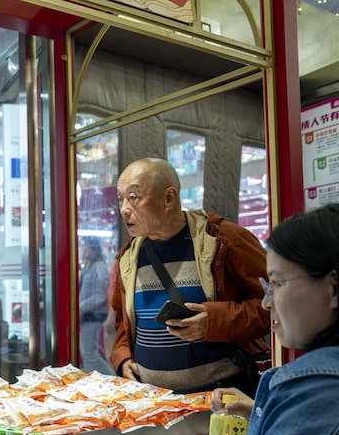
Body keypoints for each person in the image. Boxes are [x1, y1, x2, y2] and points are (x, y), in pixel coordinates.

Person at [196, 203, 339, 435]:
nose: (266, 302)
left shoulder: (318, 397)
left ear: (333, 288)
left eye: (276, 283)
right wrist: (264, 413)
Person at [110, 158, 269, 394]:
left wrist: (214, 322)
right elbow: (123, 320)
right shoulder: (129, 257)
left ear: (169, 198)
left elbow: (274, 306)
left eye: (133, 198)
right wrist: (122, 357)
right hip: (154, 401)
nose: (124, 209)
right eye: (121, 198)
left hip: (222, 395)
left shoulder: (225, 241)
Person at [78, 236, 115, 374]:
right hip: (89, 317)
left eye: (86, 246)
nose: (83, 250)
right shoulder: (91, 266)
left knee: (89, 354)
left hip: (94, 317)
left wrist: (80, 307)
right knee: (88, 354)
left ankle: (110, 380)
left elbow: (100, 295)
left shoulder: (99, 268)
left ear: (94, 248)